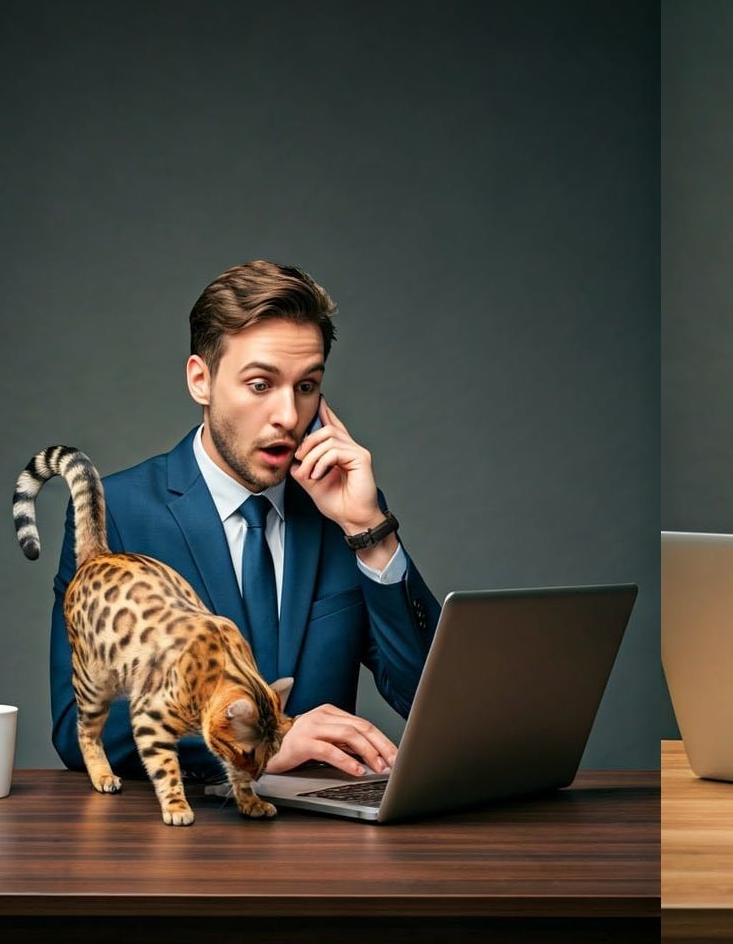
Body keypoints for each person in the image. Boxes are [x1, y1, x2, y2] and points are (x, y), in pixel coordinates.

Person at [48, 259, 440, 784]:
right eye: (260, 385)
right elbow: (79, 726)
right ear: (201, 380)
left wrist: (369, 534)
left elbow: (433, 702)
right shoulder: (119, 513)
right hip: (184, 846)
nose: (287, 415)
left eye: (307, 387)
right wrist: (264, 744)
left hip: (324, 847)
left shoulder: (346, 515)